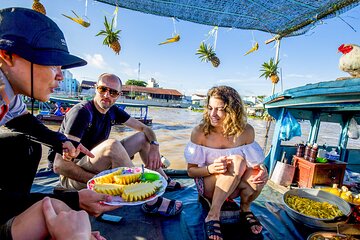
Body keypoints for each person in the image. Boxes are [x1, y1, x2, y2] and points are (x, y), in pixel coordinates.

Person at [0, 7, 119, 240]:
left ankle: (14, 216)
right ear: (6, 56)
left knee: (26, 146)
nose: (61, 76)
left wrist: (60, 140)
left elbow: (21, 121)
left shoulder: (6, 89)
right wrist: (74, 200)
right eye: (52, 63)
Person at [50, 73, 183, 216]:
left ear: (118, 95)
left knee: (143, 138)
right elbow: (59, 165)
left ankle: (163, 179)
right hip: (71, 177)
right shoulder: (81, 113)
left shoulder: (112, 110)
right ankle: (150, 201)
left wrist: (155, 146)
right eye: (103, 89)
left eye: (113, 92)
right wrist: (104, 183)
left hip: (95, 163)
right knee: (112, 145)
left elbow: (145, 129)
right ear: (96, 88)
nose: (107, 95)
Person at [184, 86, 269, 240]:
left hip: (234, 185)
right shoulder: (200, 132)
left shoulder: (246, 131)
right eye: (210, 108)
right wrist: (211, 168)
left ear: (233, 111)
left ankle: (245, 208)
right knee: (236, 161)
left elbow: (254, 162)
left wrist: (262, 168)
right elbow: (191, 172)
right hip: (208, 185)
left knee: (257, 175)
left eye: (219, 109)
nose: (212, 114)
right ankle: (213, 215)